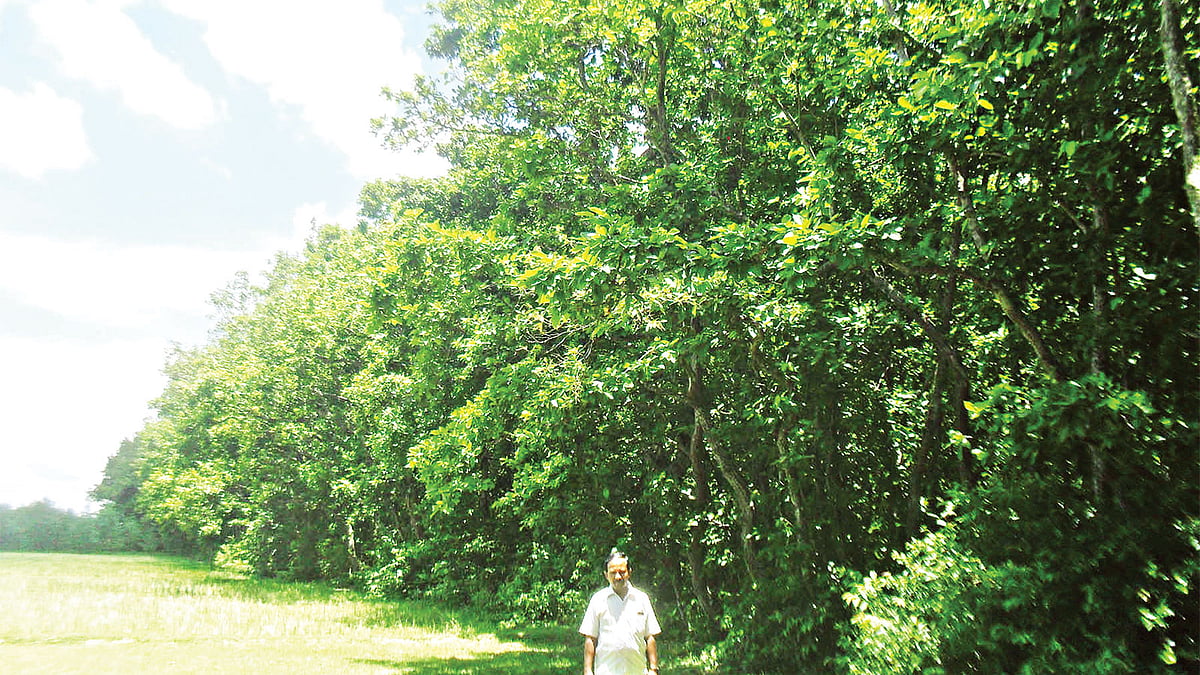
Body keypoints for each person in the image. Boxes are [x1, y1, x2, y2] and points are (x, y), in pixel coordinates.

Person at [579, 548, 662, 675]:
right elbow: (590, 638)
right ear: (606, 575)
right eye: (613, 573)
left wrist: (653, 669)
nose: (618, 577)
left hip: (637, 671)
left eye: (622, 572)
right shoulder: (598, 600)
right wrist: (588, 671)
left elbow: (650, 637)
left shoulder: (641, 599)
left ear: (629, 572)